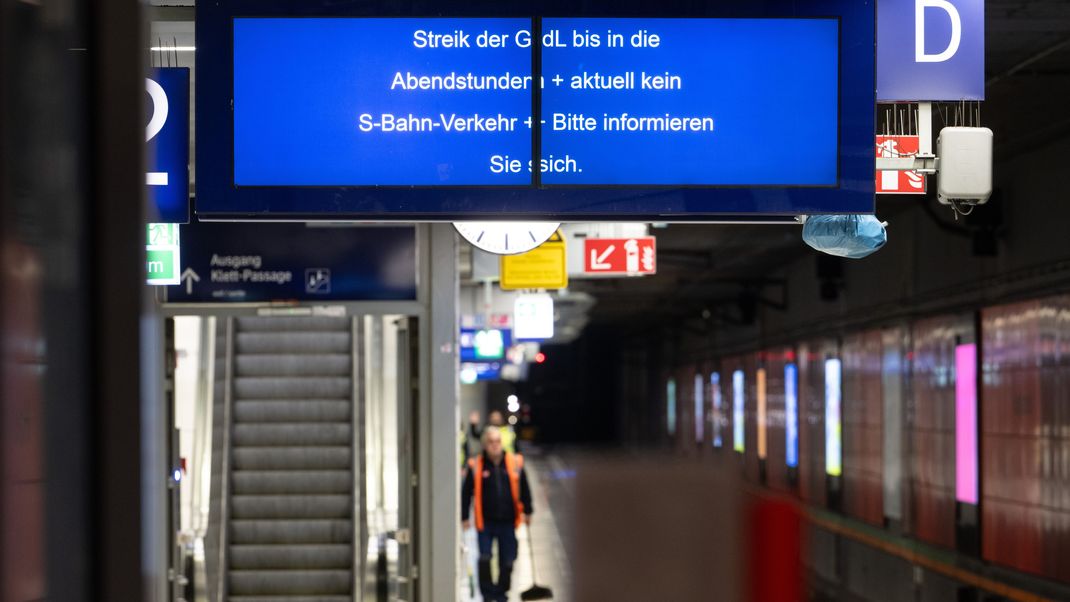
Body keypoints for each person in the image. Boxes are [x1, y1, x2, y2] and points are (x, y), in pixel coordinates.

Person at [461, 428, 533, 602]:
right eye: (491, 442)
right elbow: (465, 493)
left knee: (507, 561)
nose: (495, 445)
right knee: (485, 558)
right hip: (485, 521)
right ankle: (487, 594)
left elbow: (524, 488)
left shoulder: (514, 462)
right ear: (485, 444)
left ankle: (501, 593)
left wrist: (528, 511)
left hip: (508, 521)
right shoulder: (477, 464)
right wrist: (464, 517)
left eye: (497, 441)